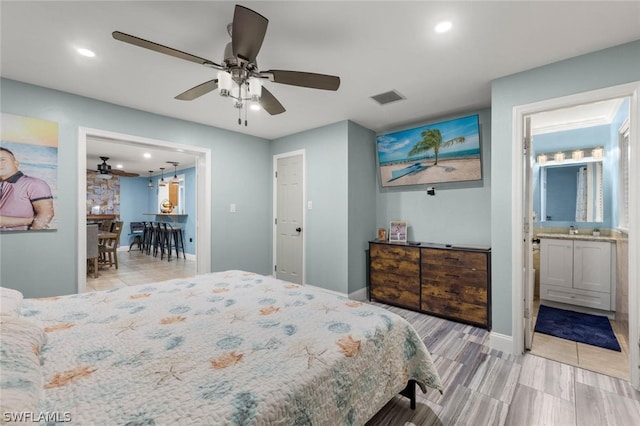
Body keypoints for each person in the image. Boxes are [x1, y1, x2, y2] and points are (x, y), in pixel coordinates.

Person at [0, 147, 54, 231]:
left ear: (16, 163)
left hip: (19, 240)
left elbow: (46, 214)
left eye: (2, 159)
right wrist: (30, 220)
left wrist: (31, 238)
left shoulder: (34, 184)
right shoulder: (2, 185)